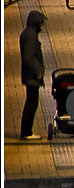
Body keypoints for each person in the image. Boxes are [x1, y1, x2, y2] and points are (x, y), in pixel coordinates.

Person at [19, 10, 46, 140]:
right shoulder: (30, 35)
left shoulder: (28, 33)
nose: (42, 25)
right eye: (41, 22)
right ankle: (26, 132)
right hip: (32, 77)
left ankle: (26, 131)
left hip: (29, 75)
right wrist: (38, 71)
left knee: (31, 101)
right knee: (32, 103)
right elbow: (28, 57)